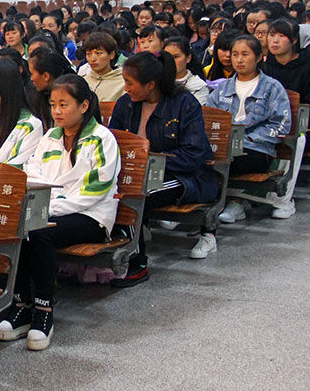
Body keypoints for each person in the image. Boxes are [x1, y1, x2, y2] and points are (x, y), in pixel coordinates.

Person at [0, 74, 120, 349]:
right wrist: (46, 207)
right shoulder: (50, 137)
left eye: (64, 104)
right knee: (22, 228)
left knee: (38, 231)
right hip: (50, 210)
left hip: (92, 216)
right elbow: (32, 172)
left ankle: (43, 310)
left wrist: (50, 207)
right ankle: (21, 305)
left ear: (84, 105)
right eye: (53, 105)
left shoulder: (102, 138)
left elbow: (94, 190)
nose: (57, 111)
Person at [109, 52, 218, 285]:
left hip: (185, 178)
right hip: (137, 175)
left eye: (130, 83)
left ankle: (137, 262)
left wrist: (151, 162)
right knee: (111, 194)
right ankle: (114, 254)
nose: (126, 88)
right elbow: (113, 142)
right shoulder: (125, 104)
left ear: (150, 85)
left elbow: (193, 155)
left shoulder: (184, 104)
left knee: (135, 197)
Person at [208, 35, 291, 223]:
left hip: (256, 149)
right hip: (224, 147)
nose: (239, 60)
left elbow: (281, 124)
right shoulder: (223, 88)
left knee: (227, 161)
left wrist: (248, 139)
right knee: (202, 157)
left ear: (259, 57)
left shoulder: (272, 87)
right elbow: (210, 118)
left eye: (245, 54)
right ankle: (199, 204)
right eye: (235, 54)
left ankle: (231, 203)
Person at [27, 47, 74, 129]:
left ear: (46, 76)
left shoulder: (72, 93)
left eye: (32, 74)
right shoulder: (37, 96)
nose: (31, 79)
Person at [163, 37, 209, 104]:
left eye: (176, 57)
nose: (171, 61)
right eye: (167, 57)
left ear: (188, 58)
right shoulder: (157, 83)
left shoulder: (199, 86)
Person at [82, 32, 125, 102]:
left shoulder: (123, 83)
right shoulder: (82, 81)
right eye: (88, 54)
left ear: (111, 54)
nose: (92, 59)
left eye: (98, 53)